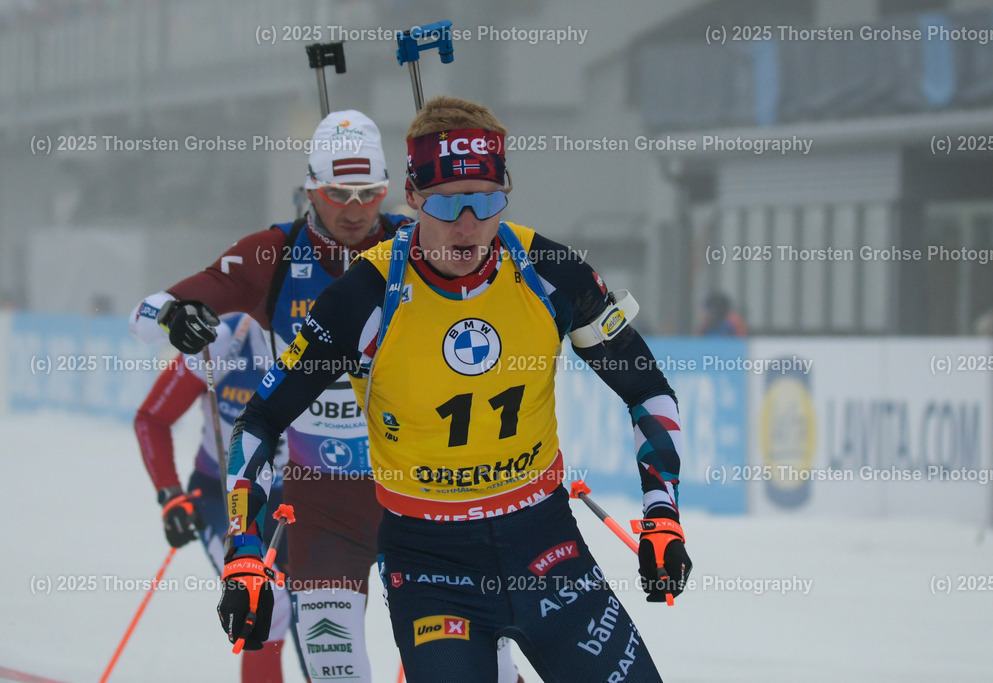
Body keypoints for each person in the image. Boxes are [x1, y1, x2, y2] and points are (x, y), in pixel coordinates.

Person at [219, 95, 692, 681]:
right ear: (413, 198)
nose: (468, 224)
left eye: (486, 199)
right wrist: (244, 552)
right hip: (429, 564)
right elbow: (260, 421)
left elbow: (647, 388)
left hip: (544, 545)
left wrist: (661, 512)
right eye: (447, 203)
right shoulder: (365, 297)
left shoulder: (549, 272)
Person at [130, 109, 523, 682]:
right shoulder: (274, 254)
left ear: (392, 190)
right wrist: (174, 315)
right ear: (311, 189)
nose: (356, 208)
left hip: (420, 492)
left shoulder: (418, 241)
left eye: (370, 192)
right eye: (339, 192)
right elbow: (147, 314)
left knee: (475, 668)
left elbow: (503, 289)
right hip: (322, 502)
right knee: (336, 669)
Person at [134, 313, 293, 683]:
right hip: (227, 498)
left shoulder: (335, 332)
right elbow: (151, 419)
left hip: (302, 497)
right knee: (266, 604)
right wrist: (171, 494)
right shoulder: (223, 339)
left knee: (319, 613)